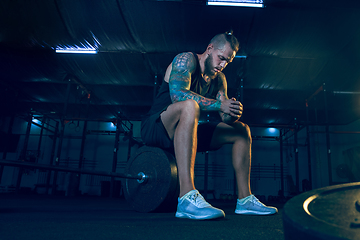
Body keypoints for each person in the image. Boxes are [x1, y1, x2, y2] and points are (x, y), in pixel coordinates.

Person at [141, 31, 277, 220]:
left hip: (189, 129)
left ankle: (245, 199)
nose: (222, 65)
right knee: (189, 106)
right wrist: (220, 104)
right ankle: (186, 197)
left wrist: (231, 112)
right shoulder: (186, 60)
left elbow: (223, 116)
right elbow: (178, 96)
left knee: (241, 131)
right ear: (210, 48)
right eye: (221, 58)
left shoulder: (219, 79)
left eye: (227, 62)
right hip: (157, 126)